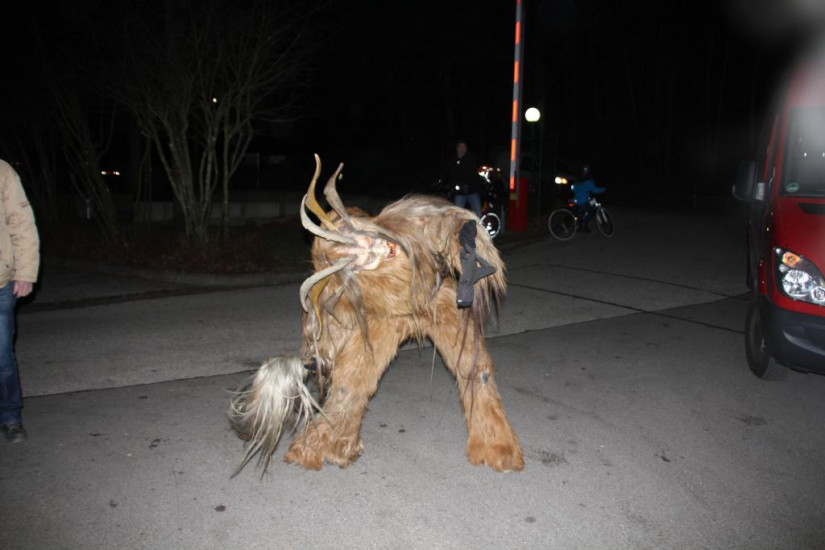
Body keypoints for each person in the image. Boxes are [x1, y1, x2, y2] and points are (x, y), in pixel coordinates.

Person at [0, 160, 40, 443]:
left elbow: (21, 222)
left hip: (0, 283)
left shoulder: (2, 172)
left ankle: (10, 417)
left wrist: (25, 272)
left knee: (2, 358)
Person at [447, 140, 483, 217]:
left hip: (472, 191)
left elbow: (473, 175)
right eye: (460, 147)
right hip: (459, 192)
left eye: (464, 147)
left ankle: (478, 224)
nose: (462, 149)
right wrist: (451, 189)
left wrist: (469, 185)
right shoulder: (453, 159)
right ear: (457, 148)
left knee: (478, 213)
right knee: (458, 214)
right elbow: (452, 176)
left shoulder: (471, 159)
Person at [571, 164, 606, 232]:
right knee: (591, 212)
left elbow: (573, 189)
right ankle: (584, 227)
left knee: (582, 212)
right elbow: (595, 190)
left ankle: (579, 226)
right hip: (583, 201)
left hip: (576, 200)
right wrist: (604, 189)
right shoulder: (588, 181)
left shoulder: (577, 181)